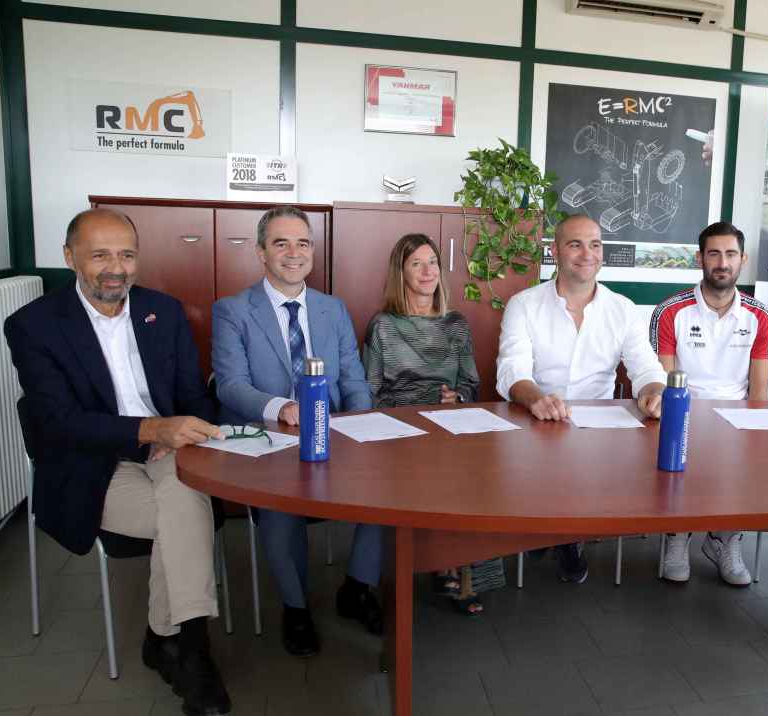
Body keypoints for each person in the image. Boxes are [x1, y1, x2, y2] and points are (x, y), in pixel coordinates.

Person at [4, 208, 231, 716]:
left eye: (127, 255)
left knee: (182, 499)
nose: (116, 268)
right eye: (100, 255)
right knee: (188, 513)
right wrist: (149, 429)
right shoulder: (33, 326)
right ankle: (185, 647)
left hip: (168, 453)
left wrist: (191, 430)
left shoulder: (162, 311)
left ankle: (176, 644)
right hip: (92, 466)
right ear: (70, 258)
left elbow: (193, 396)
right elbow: (59, 422)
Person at [211, 206, 381, 657]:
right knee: (279, 505)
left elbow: (353, 378)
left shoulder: (332, 308)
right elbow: (230, 384)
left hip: (334, 433)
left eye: (302, 243)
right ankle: (296, 607)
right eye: (280, 243)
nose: (294, 253)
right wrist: (281, 408)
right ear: (261, 252)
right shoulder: (232, 311)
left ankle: (357, 587)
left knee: (387, 489)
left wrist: (360, 424)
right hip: (267, 438)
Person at [496, 214, 667, 583]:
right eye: (575, 244)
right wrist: (536, 399)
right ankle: (548, 528)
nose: (587, 254)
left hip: (597, 432)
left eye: (595, 245)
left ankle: (566, 535)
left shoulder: (622, 309)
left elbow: (646, 369)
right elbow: (511, 371)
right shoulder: (523, 304)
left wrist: (654, 391)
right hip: (535, 423)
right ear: (555, 251)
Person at [363, 233, 501, 615]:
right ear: (401, 272)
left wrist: (458, 397)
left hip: (448, 423)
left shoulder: (456, 324)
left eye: (433, 263)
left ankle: (466, 572)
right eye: (416, 264)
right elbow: (369, 393)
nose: (427, 272)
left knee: (479, 474)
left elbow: (471, 384)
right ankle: (443, 563)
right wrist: (404, 412)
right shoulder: (383, 326)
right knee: (435, 471)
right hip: (399, 428)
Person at [649, 221, 768, 587]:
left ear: (743, 260)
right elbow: (663, 381)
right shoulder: (670, 311)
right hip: (683, 415)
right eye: (714, 254)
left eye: (731, 254)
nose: (722, 263)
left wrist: (752, 433)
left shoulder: (760, 316)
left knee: (750, 452)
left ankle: (724, 539)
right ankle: (677, 535)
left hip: (735, 418)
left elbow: (759, 392)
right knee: (676, 446)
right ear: (700, 258)